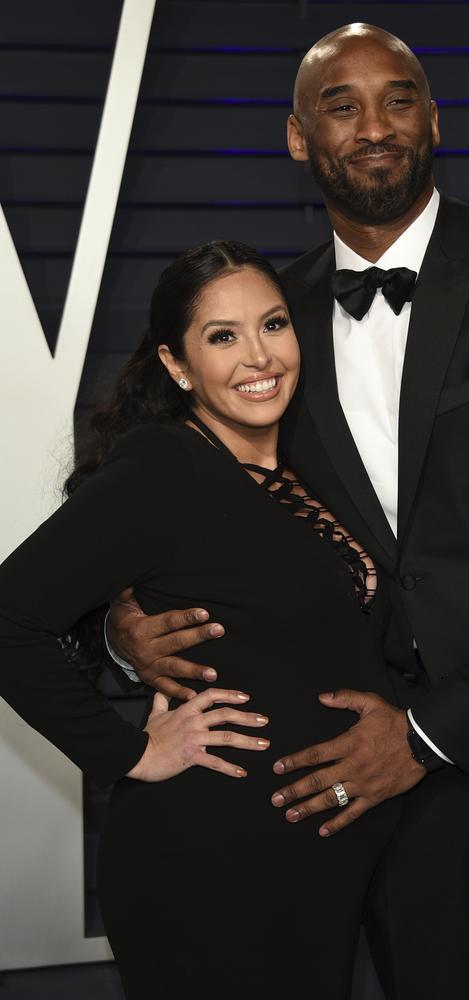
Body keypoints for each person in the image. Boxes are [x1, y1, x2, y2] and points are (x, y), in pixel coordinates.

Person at [109, 23, 469, 1000]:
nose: (372, 126)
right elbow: (209, 507)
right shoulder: (272, 323)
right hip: (392, 801)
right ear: (294, 136)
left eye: (397, 98)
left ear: (432, 120)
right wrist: (130, 619)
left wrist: (429, 731)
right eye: (340, 103)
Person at [0, 240, 404, 1000]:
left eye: (273, 325)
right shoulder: (162, 467)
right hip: (210, 867)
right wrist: (126, 753)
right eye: (223, 336)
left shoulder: (304, 468)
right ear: (177, 365)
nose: (259, 356)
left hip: (313, 870)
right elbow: (9, 618)